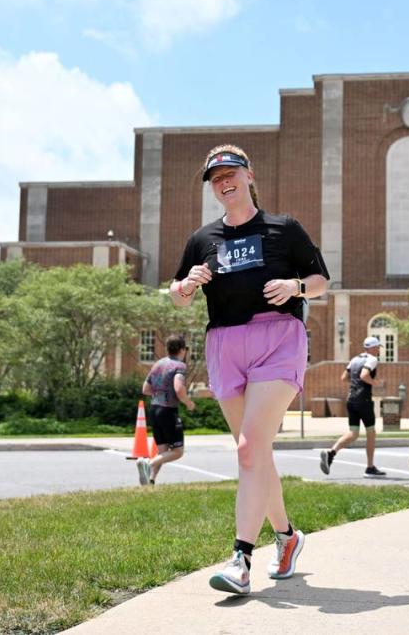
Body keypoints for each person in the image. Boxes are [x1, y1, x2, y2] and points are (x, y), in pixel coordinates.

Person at [171, 144, 329, 595]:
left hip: (278, 338)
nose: (224, 181)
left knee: (248, 448)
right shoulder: (203, 240)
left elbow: (321, 281)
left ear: (248, 174)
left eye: (230, 172)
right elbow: (177, 291)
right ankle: (287, 536)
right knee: (256, 453)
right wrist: (184, 287)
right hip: (225, 342)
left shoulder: (284, 228)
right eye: (215, 177)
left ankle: (241, 558)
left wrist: (296, 285)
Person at [319, 336, 387, 478]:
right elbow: (364, 375)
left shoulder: (354, 359)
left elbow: (344, 377)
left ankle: (331, 453)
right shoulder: (372, 359)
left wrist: (357, 383)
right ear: (373, 348)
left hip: (351, 399)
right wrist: (376, 383)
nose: (379, 350)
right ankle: (370, 468)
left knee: (353, 433)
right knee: (371, 433)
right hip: (364, 400)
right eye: (378, 347)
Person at [138, 335, 196, 485]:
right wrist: (188, 402)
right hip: (168, 411)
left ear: (167, 348)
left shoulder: (158, 364)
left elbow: (145, 389)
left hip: (154, 409)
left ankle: (150, 480)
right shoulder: (180, 366)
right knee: (177, 452)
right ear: (182, 350)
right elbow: (178, 387)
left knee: (163, 450)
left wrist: (160, 394)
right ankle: (148, 464)